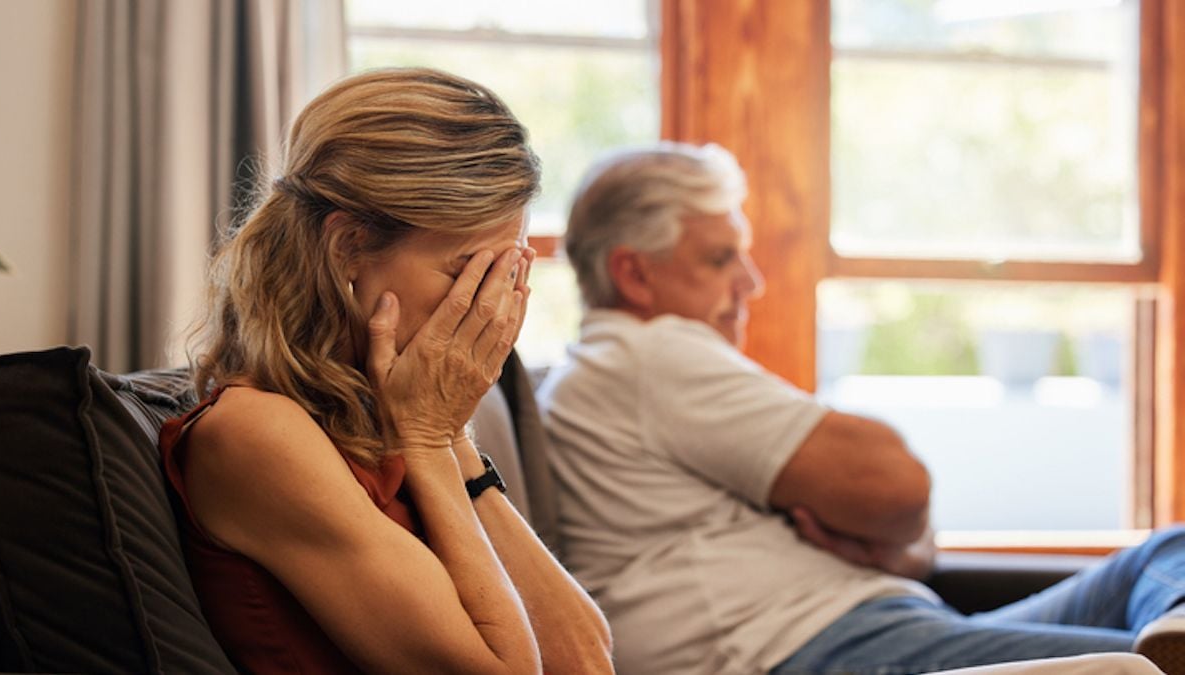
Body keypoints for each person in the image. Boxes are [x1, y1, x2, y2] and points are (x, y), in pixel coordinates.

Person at [536, 140, 1185, 675]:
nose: (751, 284)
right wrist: (891, 527)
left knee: (1170, 551)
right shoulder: (645, 356)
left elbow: (900, 519)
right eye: (720, 257)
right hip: (811, 648)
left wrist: (896, 548)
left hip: (878, 624)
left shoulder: (631, 370)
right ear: (635, 274)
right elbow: (896, 486)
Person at [159, 67, 613, 674]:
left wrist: (451, 436)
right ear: (347, 248)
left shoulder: (393, 411)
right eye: (463, 274)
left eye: (504, 275)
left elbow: (586, 662)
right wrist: (427, 440)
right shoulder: (256, 433)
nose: (492, 308)